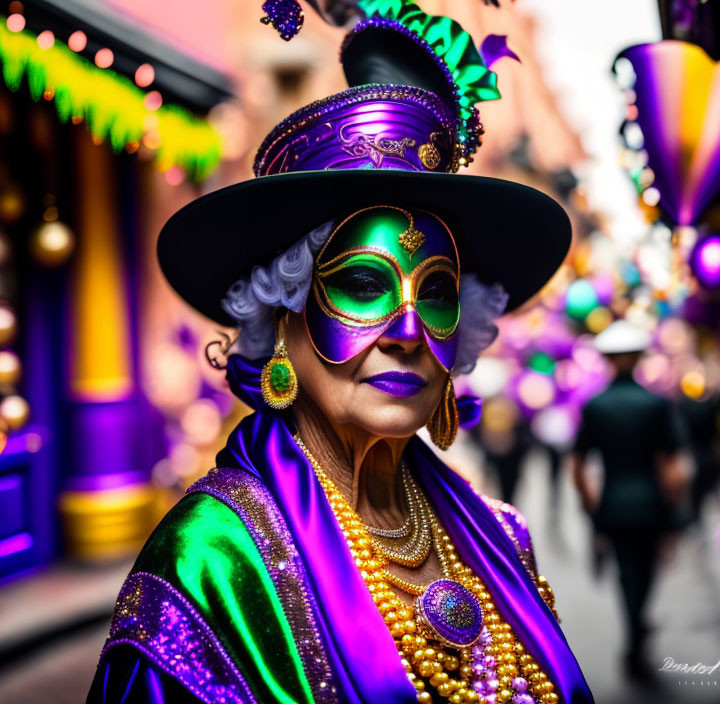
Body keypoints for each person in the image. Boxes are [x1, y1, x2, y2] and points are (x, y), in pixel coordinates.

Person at [87, 2, 594, 703]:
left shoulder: (500, 535)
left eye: (437, 291)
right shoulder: (209, 562)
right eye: (363, 284)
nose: (407, 330)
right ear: (282, 318)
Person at [571, 319, 687, 682]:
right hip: (651, 503)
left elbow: (578, 466)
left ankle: (634, 631)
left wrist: (592, 508)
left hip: (614, 504)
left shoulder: (595, 406)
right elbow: (673, 469)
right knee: (647, 572)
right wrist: (675, 509)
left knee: (626, 574)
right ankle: (638, 632)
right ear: (638, 358)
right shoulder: (656, 404)